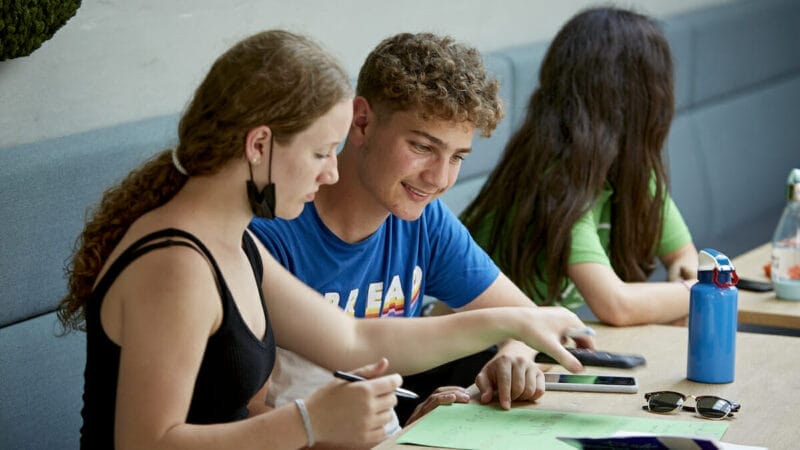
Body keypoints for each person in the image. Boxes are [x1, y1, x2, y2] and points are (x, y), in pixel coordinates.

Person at [57, 30, 592, 450]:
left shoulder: (238, 246)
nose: (331, 174)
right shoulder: (175, 265)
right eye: (320, 154)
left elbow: (353, 340)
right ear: (260, 145)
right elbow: (144, 444)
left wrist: (514, 321)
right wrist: (310, 424)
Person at [248, 32, 584, 434]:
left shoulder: (425, 221)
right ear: (361, 122)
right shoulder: (267, 231)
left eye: (457, 156)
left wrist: (511, 358)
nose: (439, 178)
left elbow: (527, 324)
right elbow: (250, 419)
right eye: (423, 147)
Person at [461, 7, 697, 327]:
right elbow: (616, 306)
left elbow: (684, 255)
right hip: (477, 356)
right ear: (642, 101)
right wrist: (703, 290)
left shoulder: (634, 171)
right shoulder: (555, 179)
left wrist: (687, 282)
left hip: (529, 350)